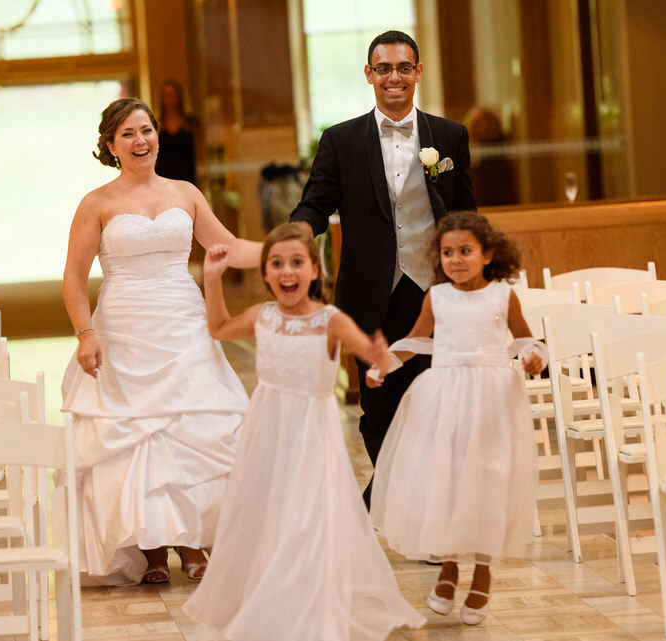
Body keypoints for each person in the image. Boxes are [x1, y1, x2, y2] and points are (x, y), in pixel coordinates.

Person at [183, 223, 425, 640]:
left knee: (309, 512)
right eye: (276, 264)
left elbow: (371, 354)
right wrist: (211, 278)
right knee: (269, 509)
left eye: (297, 262)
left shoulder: (329, 320)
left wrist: (379, 362)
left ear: (314, 270)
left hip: (313, 430)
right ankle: (270, 592)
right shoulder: (263, 315)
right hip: (268, 428)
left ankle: (311, 594)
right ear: (265, 274)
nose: (286, 271)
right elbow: (220, 328)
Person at [62, 97, 262, 585]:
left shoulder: (186, 193)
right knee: (136, 435)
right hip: (124, 327)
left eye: (147, 130)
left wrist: (286, 250)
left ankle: (193, 541)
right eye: (128, 134)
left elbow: (228, 247)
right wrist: (86, 333)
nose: (141, 140)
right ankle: (149, 548)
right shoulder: (97, 203)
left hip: (184, 321)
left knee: (188, 426)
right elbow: (72, 275)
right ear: (110, 146)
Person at [291, 30, 477, 506]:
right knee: (377, 412)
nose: (394, 77)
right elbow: (315, 205)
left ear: (418, 72)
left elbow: (467, 217)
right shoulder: (341, 140)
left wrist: (478, 278)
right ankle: (390, 491)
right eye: (384, 68)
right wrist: (293, 238)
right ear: (370, 74)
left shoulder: (450, 136)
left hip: (434, 293)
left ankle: (422, 511)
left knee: (435, 406)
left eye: (403, 67)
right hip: (368, 296)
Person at [368, 211, 546, 626]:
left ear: (488, 254)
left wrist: (533, 356)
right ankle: (448, 566)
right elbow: (416, 341)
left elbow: (525, 339)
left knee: (487, 481)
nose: (456, 260)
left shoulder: (503, 296)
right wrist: (384, 364)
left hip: (492, 399)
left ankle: (483, 572)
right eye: (447, 253)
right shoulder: (437, 296)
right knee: (446, 480)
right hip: (444, 396)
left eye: (465, 251)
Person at [155, 79, 198, 185]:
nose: (170, 99)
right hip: (164, 179)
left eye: (173, 95)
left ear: (179, 97)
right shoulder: (156, 125)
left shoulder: (191, 124)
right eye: (167, 95)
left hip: (188, 177)